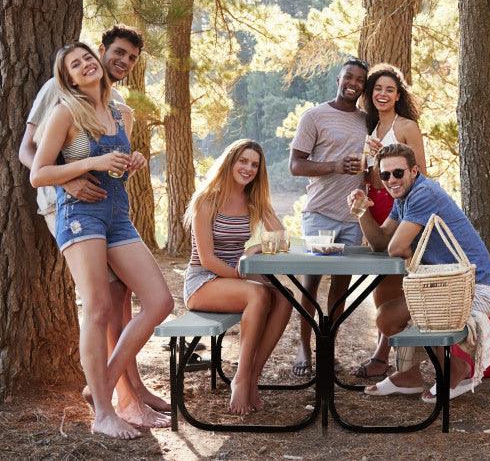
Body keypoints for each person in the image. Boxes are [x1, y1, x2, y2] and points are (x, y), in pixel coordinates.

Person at [19, 25, 171, 413]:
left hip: (112, 208)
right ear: (102, 51)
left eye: (132, 58)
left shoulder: (118, 106)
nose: (123, 61)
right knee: (101, 304)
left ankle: (123, 388)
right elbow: (30, 155)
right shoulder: (59, 96)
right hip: (67, 208)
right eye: (118, 52)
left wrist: (129, 163)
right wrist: (69, 182)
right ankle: (117, 399)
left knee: (126, 298)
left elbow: (111, 166)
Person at [348, 143, 490, 399]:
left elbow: (395, 247)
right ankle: (409, 375)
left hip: (472, 288)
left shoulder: (423, 193)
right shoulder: (403, 198)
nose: (391, 180)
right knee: (387, 304)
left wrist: (408, 256)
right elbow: (381, 242)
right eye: (385, 175)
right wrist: (361, 211)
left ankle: (455, 368)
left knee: (388, 317)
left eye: (398, 173)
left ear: (414, 171)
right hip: (445, 284)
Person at [183, 139, 292, 415]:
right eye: (243, 161)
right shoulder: (207, 200)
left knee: (285, 297)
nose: (248, 168)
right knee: (258, 292)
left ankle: (254, 376)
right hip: (203, 282)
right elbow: (207, 259)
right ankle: (241, 378)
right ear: (230, 162)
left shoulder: (253, 201)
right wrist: (242, 278)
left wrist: (255, 248)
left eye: (254, 164)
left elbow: (282, 239)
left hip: (235, 281)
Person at [289, 57, 368, 376]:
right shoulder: (314, 116)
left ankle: (328, 347)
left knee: (341, 288)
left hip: (352, 218)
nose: (353, 83)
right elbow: (295, 165)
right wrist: (334, 166)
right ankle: (304, 347)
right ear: (338, 79)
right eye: (349, 76)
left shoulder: (367, 121)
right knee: (310, 283)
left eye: (360, 80)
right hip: (319, 213)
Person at [352, 63, 427, 379]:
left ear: (398, 95)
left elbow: (421, 173)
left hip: (399, 207)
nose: (383, 94)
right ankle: (386, 355)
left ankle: (385, 357)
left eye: (390, 90)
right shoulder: (369, 127)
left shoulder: (407, 126)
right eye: (378, 89)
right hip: (374, 205)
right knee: (380, 280)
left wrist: (386, 154)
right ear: (370, 94)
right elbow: (370, 174)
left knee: (396, 277)